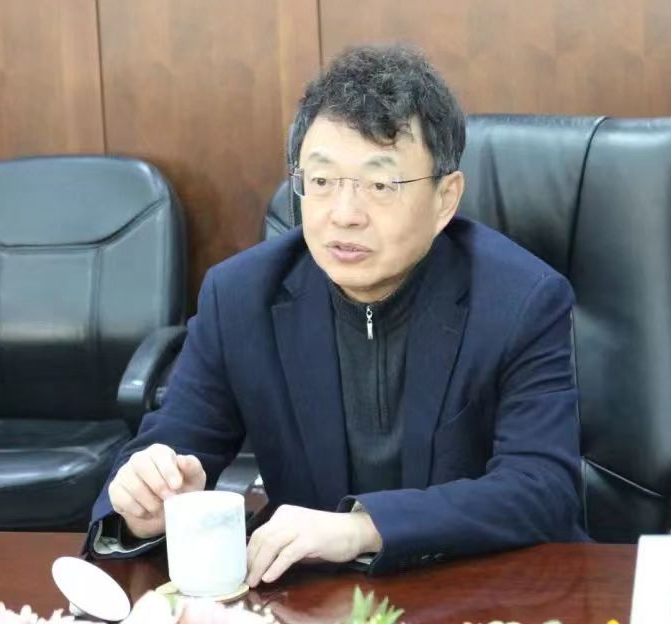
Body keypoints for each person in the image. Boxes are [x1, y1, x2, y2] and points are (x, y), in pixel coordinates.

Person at [87, 43, 585, 585]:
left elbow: (542, 488)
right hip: (310, 600)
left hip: (477, 591)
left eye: (381, 185)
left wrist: (365, 528)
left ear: (445, 199)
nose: (344, 215)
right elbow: (174, 442)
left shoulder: (520, 300)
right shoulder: (241, 297)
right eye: (321, 182)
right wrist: (142, 507)